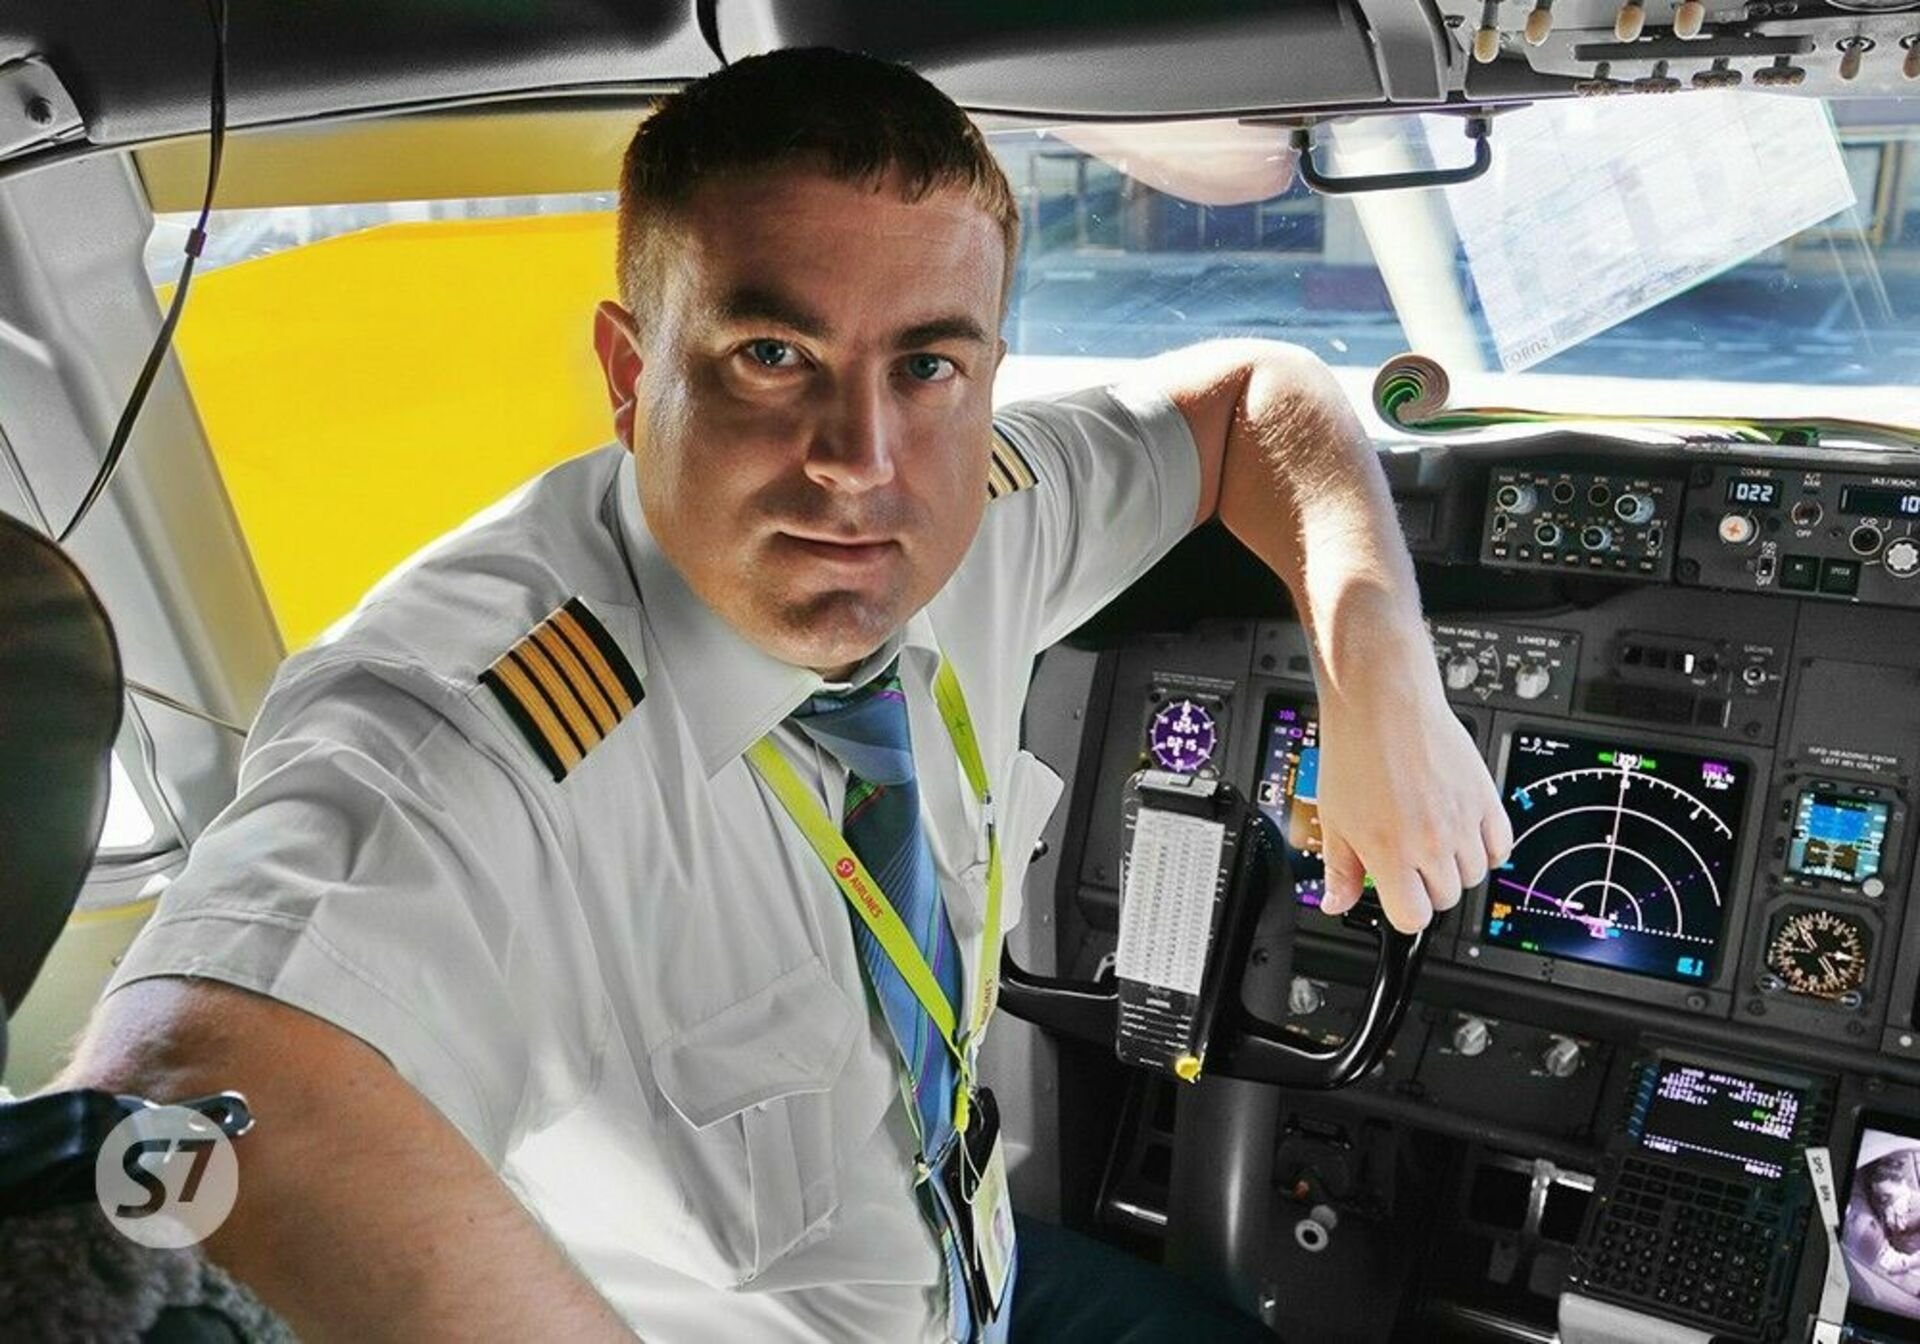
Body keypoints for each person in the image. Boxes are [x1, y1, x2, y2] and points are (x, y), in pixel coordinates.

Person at [58, 48, 1511, 1343]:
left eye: (926, 364)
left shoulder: (989, 511)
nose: (859, 462)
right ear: (630, 371)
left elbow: (1253, 398)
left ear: (984, 373)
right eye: (771, 357)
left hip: (971, 1279)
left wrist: (1378, 672)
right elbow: (175, 1097)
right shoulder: (480, 733)